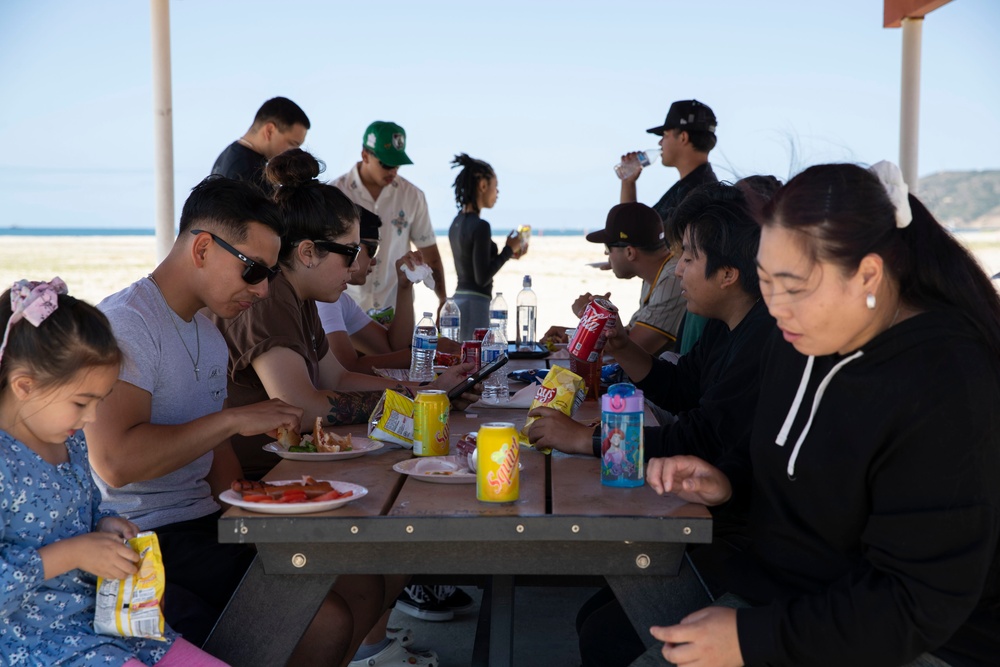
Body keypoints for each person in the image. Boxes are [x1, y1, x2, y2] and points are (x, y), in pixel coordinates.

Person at [623, 162, 1000, 667]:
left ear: (867, 273)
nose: (776, 308)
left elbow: (917, 603)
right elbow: (796, 463)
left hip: (916, 641)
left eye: (793, 286)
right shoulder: (801, 337)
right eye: (765, 283)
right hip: (791, 598)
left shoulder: (947, 381)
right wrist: (729, 482)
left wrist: (752, 639)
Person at [87, 177, 393, 665]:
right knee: (323, 620)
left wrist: (263, 503)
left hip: (207, 522)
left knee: (359, 579)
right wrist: (232, 420)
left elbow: (217, 460)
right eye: (253, 270)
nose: (263, 288)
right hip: (143, 538)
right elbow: (116, 462)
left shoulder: (207, 331)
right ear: (203, 247)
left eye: (270, 273)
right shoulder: (128, 325)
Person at [529, 182, 776, 666]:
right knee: (594, 618)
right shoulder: (731, 327)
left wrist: (585, 439)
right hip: (719, 516)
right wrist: (622, 345)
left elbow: (698, 437)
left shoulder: (762, 340)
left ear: (728, 273)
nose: (677, 269)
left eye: (688, 258)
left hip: (739, 537)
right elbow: (681, 388)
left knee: (606, 634)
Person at [0, 279, 226, 666]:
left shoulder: (68, 440)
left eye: (98, 402)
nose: (91, 419)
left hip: (101, 622)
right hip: (33, 641)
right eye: (81, 402)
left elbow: (83, 514)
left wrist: (104, 526)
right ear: (25, 385)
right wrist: (72, 553)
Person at [213, 149, 476, 480]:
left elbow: (335, 378)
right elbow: (302, 409)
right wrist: (417, 398)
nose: (355, 267)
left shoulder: (302, 296)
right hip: (257, 481)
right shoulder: (270, 296)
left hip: (290, 467)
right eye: (350, 253)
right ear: (308, 252)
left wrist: (427, 391)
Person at [621, 99, 720, 353]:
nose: (659, 143)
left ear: (683, 136)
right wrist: (628, 182)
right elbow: (636, 230)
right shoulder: (693, 188)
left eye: (664, 134)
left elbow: (638, 236)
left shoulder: (699, 196)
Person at [333, 121, 448, 314]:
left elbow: (430, 254)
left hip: (395, 311)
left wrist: (443, 300)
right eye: (386, 164)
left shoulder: (412, 196)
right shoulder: (337, 193)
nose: (393, 171)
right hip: (346, 309)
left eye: (397, 165)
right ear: (365, 155)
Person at [545, 202, 686, 355]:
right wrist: (574, 333)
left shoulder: (672, 280)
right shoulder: (654, 274)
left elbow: (631, 351)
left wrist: (589, 315)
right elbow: (627, 335)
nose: (606, 256)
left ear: (630, 253)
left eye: (608, 248)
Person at [317, 206, 422, 373]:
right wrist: (427, 351)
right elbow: (348, 369)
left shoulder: (341, 300)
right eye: (372, 250)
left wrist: (404, 287)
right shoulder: (323, 300)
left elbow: (393, 348)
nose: (374, 261)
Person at [447, 153, 523, 340]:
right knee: (476, 363)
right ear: (483, 186)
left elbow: (471, 263)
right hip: (476, 304)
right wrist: (508, 250)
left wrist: (509, 252)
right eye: (495, 186)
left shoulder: (456, 223)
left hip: (458, 300)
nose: (497, 193)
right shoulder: (481, 226)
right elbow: (481, 277)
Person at [211, 96, 310, 196]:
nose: (296, 152)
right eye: (293, 143)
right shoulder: (248, 172)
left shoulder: (228, 156)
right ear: (269, 131)